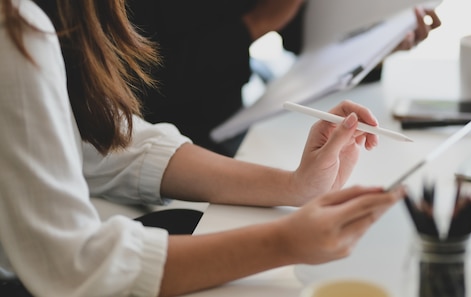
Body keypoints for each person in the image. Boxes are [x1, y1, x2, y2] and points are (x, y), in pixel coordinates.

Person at [0, 0, 405, 296]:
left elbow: (101, 144)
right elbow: (71, 267)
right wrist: (284, 242)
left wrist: (295, 185)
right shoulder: (15, 28)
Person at [127, 0, 441, 156]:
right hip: (165, 137)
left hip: (235, 121)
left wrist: (381, 41)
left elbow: (303, 35)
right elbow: (149, 79)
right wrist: (257, 23)